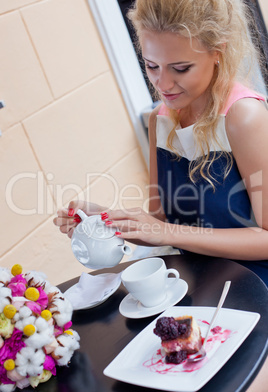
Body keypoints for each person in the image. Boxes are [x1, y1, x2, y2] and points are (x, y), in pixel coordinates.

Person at [54, 0, 268, 286]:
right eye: (151, 66)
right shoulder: (160, 120)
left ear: (218, 51)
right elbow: (160, 222)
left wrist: (168, 233)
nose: (163, 84)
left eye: (180, 68)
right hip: (195, 285)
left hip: (256, 288)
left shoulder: (244, 117)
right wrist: (103, 220)